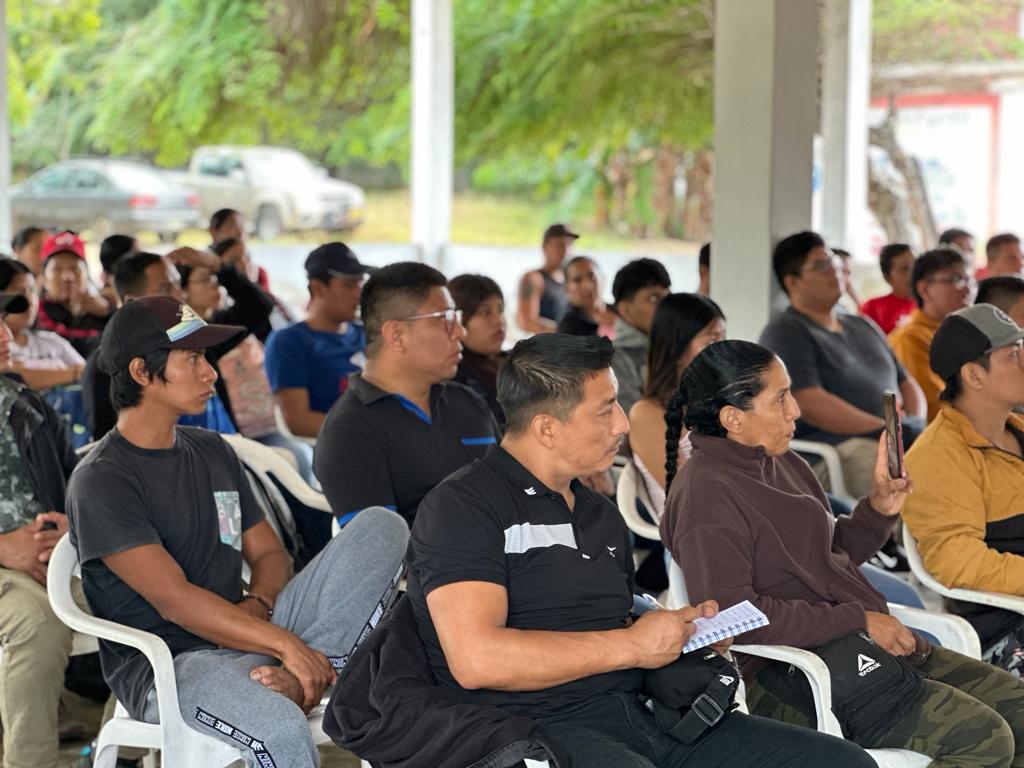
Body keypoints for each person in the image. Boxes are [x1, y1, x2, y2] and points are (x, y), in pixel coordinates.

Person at [407, 332, 876, 768]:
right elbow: (477, 659)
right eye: (605, 410)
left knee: (843, 762)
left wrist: (676, 628)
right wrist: (632, 646)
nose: (623, 423)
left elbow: (606, 616)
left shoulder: (598, 513)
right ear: (547, 428)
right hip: (538, 728)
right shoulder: (465, 507)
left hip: (642, 711)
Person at [66, 296, 409, 768]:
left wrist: (260, 605)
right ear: (142, 372)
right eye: (192, 359)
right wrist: (284, 643)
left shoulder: (213, 451)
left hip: (252, 632)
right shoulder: (103, 479)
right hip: (176, 666)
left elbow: (269, 554)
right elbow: (174, 601)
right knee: (280, 730)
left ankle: (305, 674)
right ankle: (302, 671)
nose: (210, 372)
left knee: (382, 527)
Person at [661, 339, 1024, 767]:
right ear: (733, 418)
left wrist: (879, 510)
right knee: (984, 740)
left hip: (859, 643)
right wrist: (857, 620)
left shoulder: (782, 462)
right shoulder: (706, 494)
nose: (795, 410)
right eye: (780, 399)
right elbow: (732, 617)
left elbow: (831, 556)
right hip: (793, 676)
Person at [314, 262, 501, 527]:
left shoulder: (467, 401)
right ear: (396, 335)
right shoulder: (350, 432)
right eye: (445, 319)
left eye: (456, 318)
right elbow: (381, 546)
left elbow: (518, 491)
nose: (460, 331)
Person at [902, 304, 1024, 671]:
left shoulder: (1016, 427)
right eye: (1014, 354)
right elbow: (958, 561)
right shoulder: (938, 456)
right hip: (1005, 627)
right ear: (974, 375)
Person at [759, 231, 926, 498]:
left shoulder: (862, 324)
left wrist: (915, 422)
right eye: (821, 265)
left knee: (944, 458)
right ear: (793, 282)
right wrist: (885, 429)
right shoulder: (787, 332)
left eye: (834, 261)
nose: (834, 270)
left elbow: (906, 382)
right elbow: (810, 404)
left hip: (892, 437)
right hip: (835, 448)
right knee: (905, 478)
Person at [0, 290, 82, 768]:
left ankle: (130, 747)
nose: (5, 336)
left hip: (53, 559)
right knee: (37, 621)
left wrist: (71, 524)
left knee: (143, 598)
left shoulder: (24, 402)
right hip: (11, 573)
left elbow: (74, 482)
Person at [628, 293, 725, 521]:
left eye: (724, 339)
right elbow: (692, 495)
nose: (723, 352)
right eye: (712, 342)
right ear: (678, 350)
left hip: (732, 516)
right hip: (696, 528)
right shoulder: (646, 413)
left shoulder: (716, 401)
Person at [264, 243, 371, 439]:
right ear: (318, 288)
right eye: (349, 285)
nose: (358, 293)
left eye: (360, 284)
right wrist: (369, 433)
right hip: (337, 444)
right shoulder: (289, 342)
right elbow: (299, 422)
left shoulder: (369, 333)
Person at [889, 248, 974, 422]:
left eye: (968, 280)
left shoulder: (964, 333)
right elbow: (934, 406)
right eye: (957, 280)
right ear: (925, 289)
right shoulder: (911, 338)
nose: (967, 289)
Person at [0, 257, 85, 390]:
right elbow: (19, 378)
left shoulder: (52, 340)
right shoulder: (3, 350)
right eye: (20, 292)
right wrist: (74, 373)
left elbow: (89, 373)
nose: (30, 301)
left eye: (33, 291)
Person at [609, 258, 672, 415]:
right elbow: (630, 417)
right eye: (653, 298)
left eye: (668, 297)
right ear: (625, 309)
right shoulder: (614, 360)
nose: (665, 306)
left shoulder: (673, 348)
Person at [35, 231, 113, 358]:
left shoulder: (105, 312)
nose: (67, 277)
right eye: (57, 269)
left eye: (75, 269)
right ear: (43, 278)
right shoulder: (33, 315)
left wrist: (108, 313)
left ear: (87, 276)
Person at [449, 273, 508, 429]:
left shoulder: (519, 361)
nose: (498, 320)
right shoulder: (455, 378)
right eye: (485, 311)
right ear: (457, 320)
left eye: (500, 310)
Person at [517, 223, 577, 333]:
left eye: (569, 245)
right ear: (545, 247)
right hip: (548, 341)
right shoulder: (533, 278)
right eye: (559, 245)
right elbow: (527, 322)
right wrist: (568, 333)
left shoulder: (573, 281)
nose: (565, 251)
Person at [860, 243, 916, 333]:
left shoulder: (931, 304)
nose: (913, 273)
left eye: (916, 266)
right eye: (904, 269)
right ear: (887, 277)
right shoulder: (873, 308)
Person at [556, 256, 617, 337]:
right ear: (566, 288)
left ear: (603, 278)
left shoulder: (622, 310)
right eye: (577, 280)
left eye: (592, 276)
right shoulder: (568, 326)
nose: (588, 286)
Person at [832, 247, 862, 313]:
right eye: (841, 271)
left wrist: (856, 298)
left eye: (848, 273)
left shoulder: (841, 308)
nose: (846, 279)